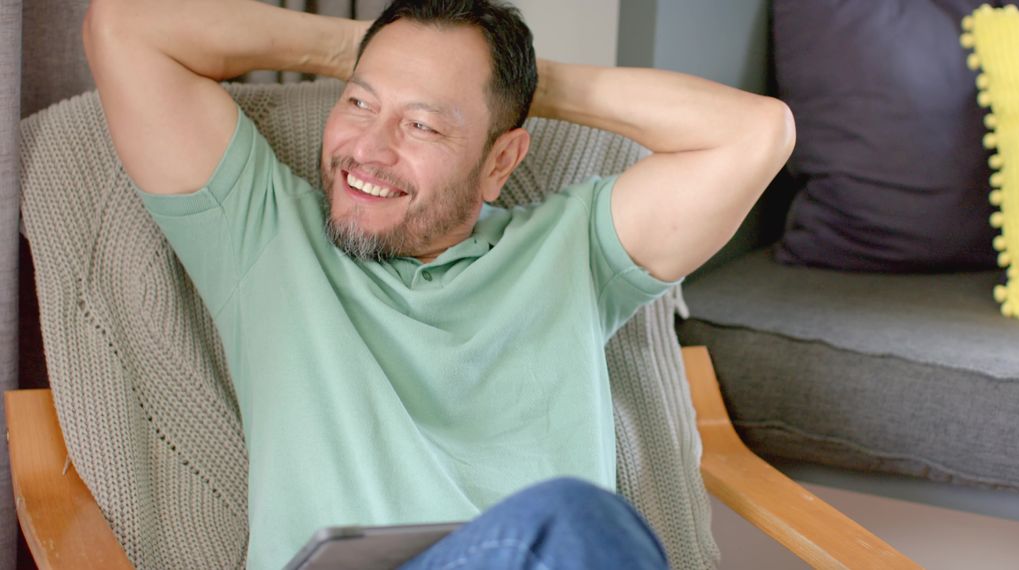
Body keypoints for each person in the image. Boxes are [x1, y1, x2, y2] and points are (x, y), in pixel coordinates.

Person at [82, 0, 795, 568]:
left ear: (500, 161)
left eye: (421, 125)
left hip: (550, 554)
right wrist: (363, 48)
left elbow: (756, 132)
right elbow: (125, 26)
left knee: (569, 525)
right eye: (358, 103)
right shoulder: (261, 233)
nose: (369, 149)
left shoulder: (572, 252)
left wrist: (527, 85)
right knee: (573, 521)